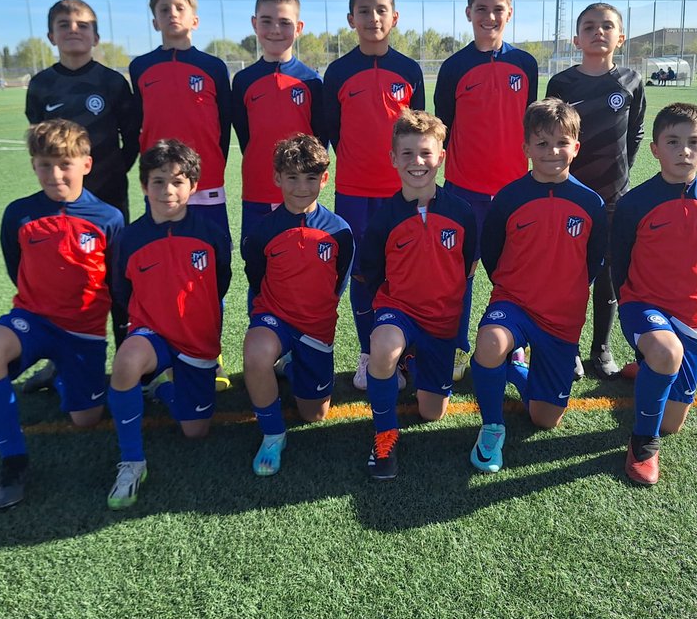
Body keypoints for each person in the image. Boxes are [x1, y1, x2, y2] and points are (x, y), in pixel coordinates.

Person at [0, 119, 125, 509]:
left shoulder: (109, 218)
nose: (55, 174)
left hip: (84, 332)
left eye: (64, 164)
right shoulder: (19, 214)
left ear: (86, 164)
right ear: (33, 166)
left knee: (86, 419)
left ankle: (58, 374)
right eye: (44, 165)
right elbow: (15, 265)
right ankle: (13, 461)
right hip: (33, 320)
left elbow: (118, 285)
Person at [468, 98, 606, 473]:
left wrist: (566, 289)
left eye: (562, 143)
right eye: (542, 144)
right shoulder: (508, 198)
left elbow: (594, 261)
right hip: (514, 303)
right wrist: (513, 288)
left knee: (545, 419)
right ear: (526, 148)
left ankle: (515, 369)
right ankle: (492, 426)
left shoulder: (590, 203)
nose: (552, 152)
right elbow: (493, 253)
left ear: (576, 148)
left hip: (561, 316)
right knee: (491, 341)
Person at [611, 102, 697, 485]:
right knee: (666, 352)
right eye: (672, 142)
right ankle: (643, 444)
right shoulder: (635, 203)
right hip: (643, 305)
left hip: (694, 317)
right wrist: (630, 305)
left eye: (693, 142)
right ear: (655, 149)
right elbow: (619, 261)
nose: (683, 151)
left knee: (672, 423)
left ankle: (650, 368)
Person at [104, 139, 232, 509]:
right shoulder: (130, 238)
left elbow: (219, 282)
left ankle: (162, 387)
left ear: (193, 186)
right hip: (153, 333)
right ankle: (131, 462)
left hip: (197, 342)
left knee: (195, 431)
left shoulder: (211, 234)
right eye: (158, 181)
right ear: (144, 186)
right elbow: (121, 291)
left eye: (177, 181)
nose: (167, 191)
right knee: (127, 362)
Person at [22, 0, 141, 393]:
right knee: (61, 281)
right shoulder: (41, 85)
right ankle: (59, 363)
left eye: (83, 24)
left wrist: (109, 174)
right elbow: (42, 143)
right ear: (50, 34)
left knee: (117, 282)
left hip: (108, 201)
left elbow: (131, 138)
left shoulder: (111, 83)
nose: (74, 29)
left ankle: (129, 366)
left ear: (96, 35)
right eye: (64, 23)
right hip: (58, 205)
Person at [357, 109, 476, 480]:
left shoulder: (462, 213)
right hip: (399, 310)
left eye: (425, 152)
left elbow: (468, 267)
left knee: (432, 412)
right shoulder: (384, 218)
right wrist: (375, 330)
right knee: (384, 347)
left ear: (441, 157)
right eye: (406, 154)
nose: (417, 162)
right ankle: (384, 435)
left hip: (440, 320)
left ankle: (413, 362)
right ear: (393, 159)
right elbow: (370, 276)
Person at [322, 0, 425, 390]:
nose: (373, 18)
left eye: (381, 10)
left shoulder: (409, 69)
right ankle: (368, 353)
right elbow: (331, 129)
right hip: (354, 193)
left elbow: (419, 132)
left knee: (403, 273)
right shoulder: (339, 71)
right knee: (364, 274)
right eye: (364, 11)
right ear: (351, 18)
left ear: (394, 17)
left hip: (402, 193)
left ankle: (406, 352)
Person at [129, 0, 234, 386]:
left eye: (179, 7)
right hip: (160, 191)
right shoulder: (140, 68)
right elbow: (137, 125)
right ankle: (164, 356)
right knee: (161, 275)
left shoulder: (212, 67)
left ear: (194, 18)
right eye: (163, 9)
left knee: (209, 274)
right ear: (153, 19)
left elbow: (223, 128)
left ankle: (210, 352)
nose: (172, 14)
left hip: (206, 189)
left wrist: (209, 170)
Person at [434, 0, 538, 381]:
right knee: (460, 274)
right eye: (482, 9)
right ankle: (457, 346)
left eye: (498, 10)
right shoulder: (454, 67)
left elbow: (530, 125)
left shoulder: (525, 64)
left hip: (514, 192)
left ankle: (516, 347)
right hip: (463, 191)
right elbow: (442, 126)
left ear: (510, 13)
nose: (490, 17)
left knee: (516, 273)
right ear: (468, 13)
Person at [241, 134, 354, 476]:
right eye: (292, 177)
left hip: (317, 326)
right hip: (275, 316)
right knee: (256, 354)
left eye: (310, 178)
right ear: (277, 178)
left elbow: (338, 284)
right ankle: (273, 435)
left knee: (314, 414)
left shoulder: (340, 232)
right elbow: (256, 278)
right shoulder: (262, 232)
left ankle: (290, 366)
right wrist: (270, 316)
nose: (301, 187)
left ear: (324, 178)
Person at [545, 3, 646, 380]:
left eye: (607, 26)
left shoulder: (631, 81)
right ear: (577, 39)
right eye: (589, 26)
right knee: (568, 274)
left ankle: (600, 348)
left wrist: (622, 171)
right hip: (568, 192)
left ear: (620, 37)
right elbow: (549, 134)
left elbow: (635, 132)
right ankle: (566, 345)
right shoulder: (562, 85)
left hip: (612, 197)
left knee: (607, 275)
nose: (597, 32)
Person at [231, 0, 326, 247]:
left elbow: (320, 141)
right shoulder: (242, 81)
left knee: (300, 264)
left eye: (284, 22)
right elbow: (245, 136)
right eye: (267, 21)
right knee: (257, 267)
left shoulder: (312, 81)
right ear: (254, 23)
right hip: (258, 191)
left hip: (300, 192)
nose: (275, 29)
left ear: (299, 27)